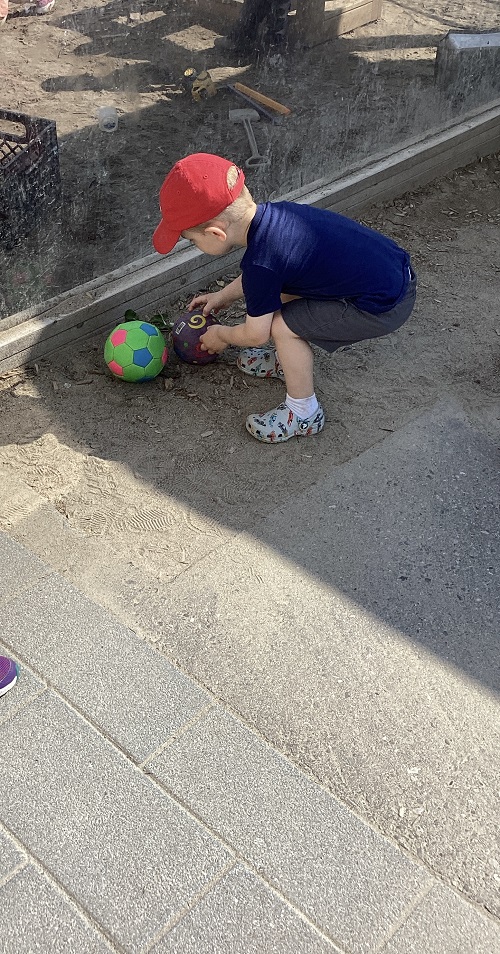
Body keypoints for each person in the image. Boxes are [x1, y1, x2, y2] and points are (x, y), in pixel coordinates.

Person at [152, 153, 417, 443]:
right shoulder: (276, 218)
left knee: (281, 328)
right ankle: (286, 361)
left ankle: (303, 412)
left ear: (216, 234)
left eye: (192, 240)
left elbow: (255, 334)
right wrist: (222, 296)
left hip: (381, 306)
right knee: (286, 292)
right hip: (396, 273)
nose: (194, 245)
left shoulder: (261, 262)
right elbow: (270, 272)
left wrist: (221, 335)